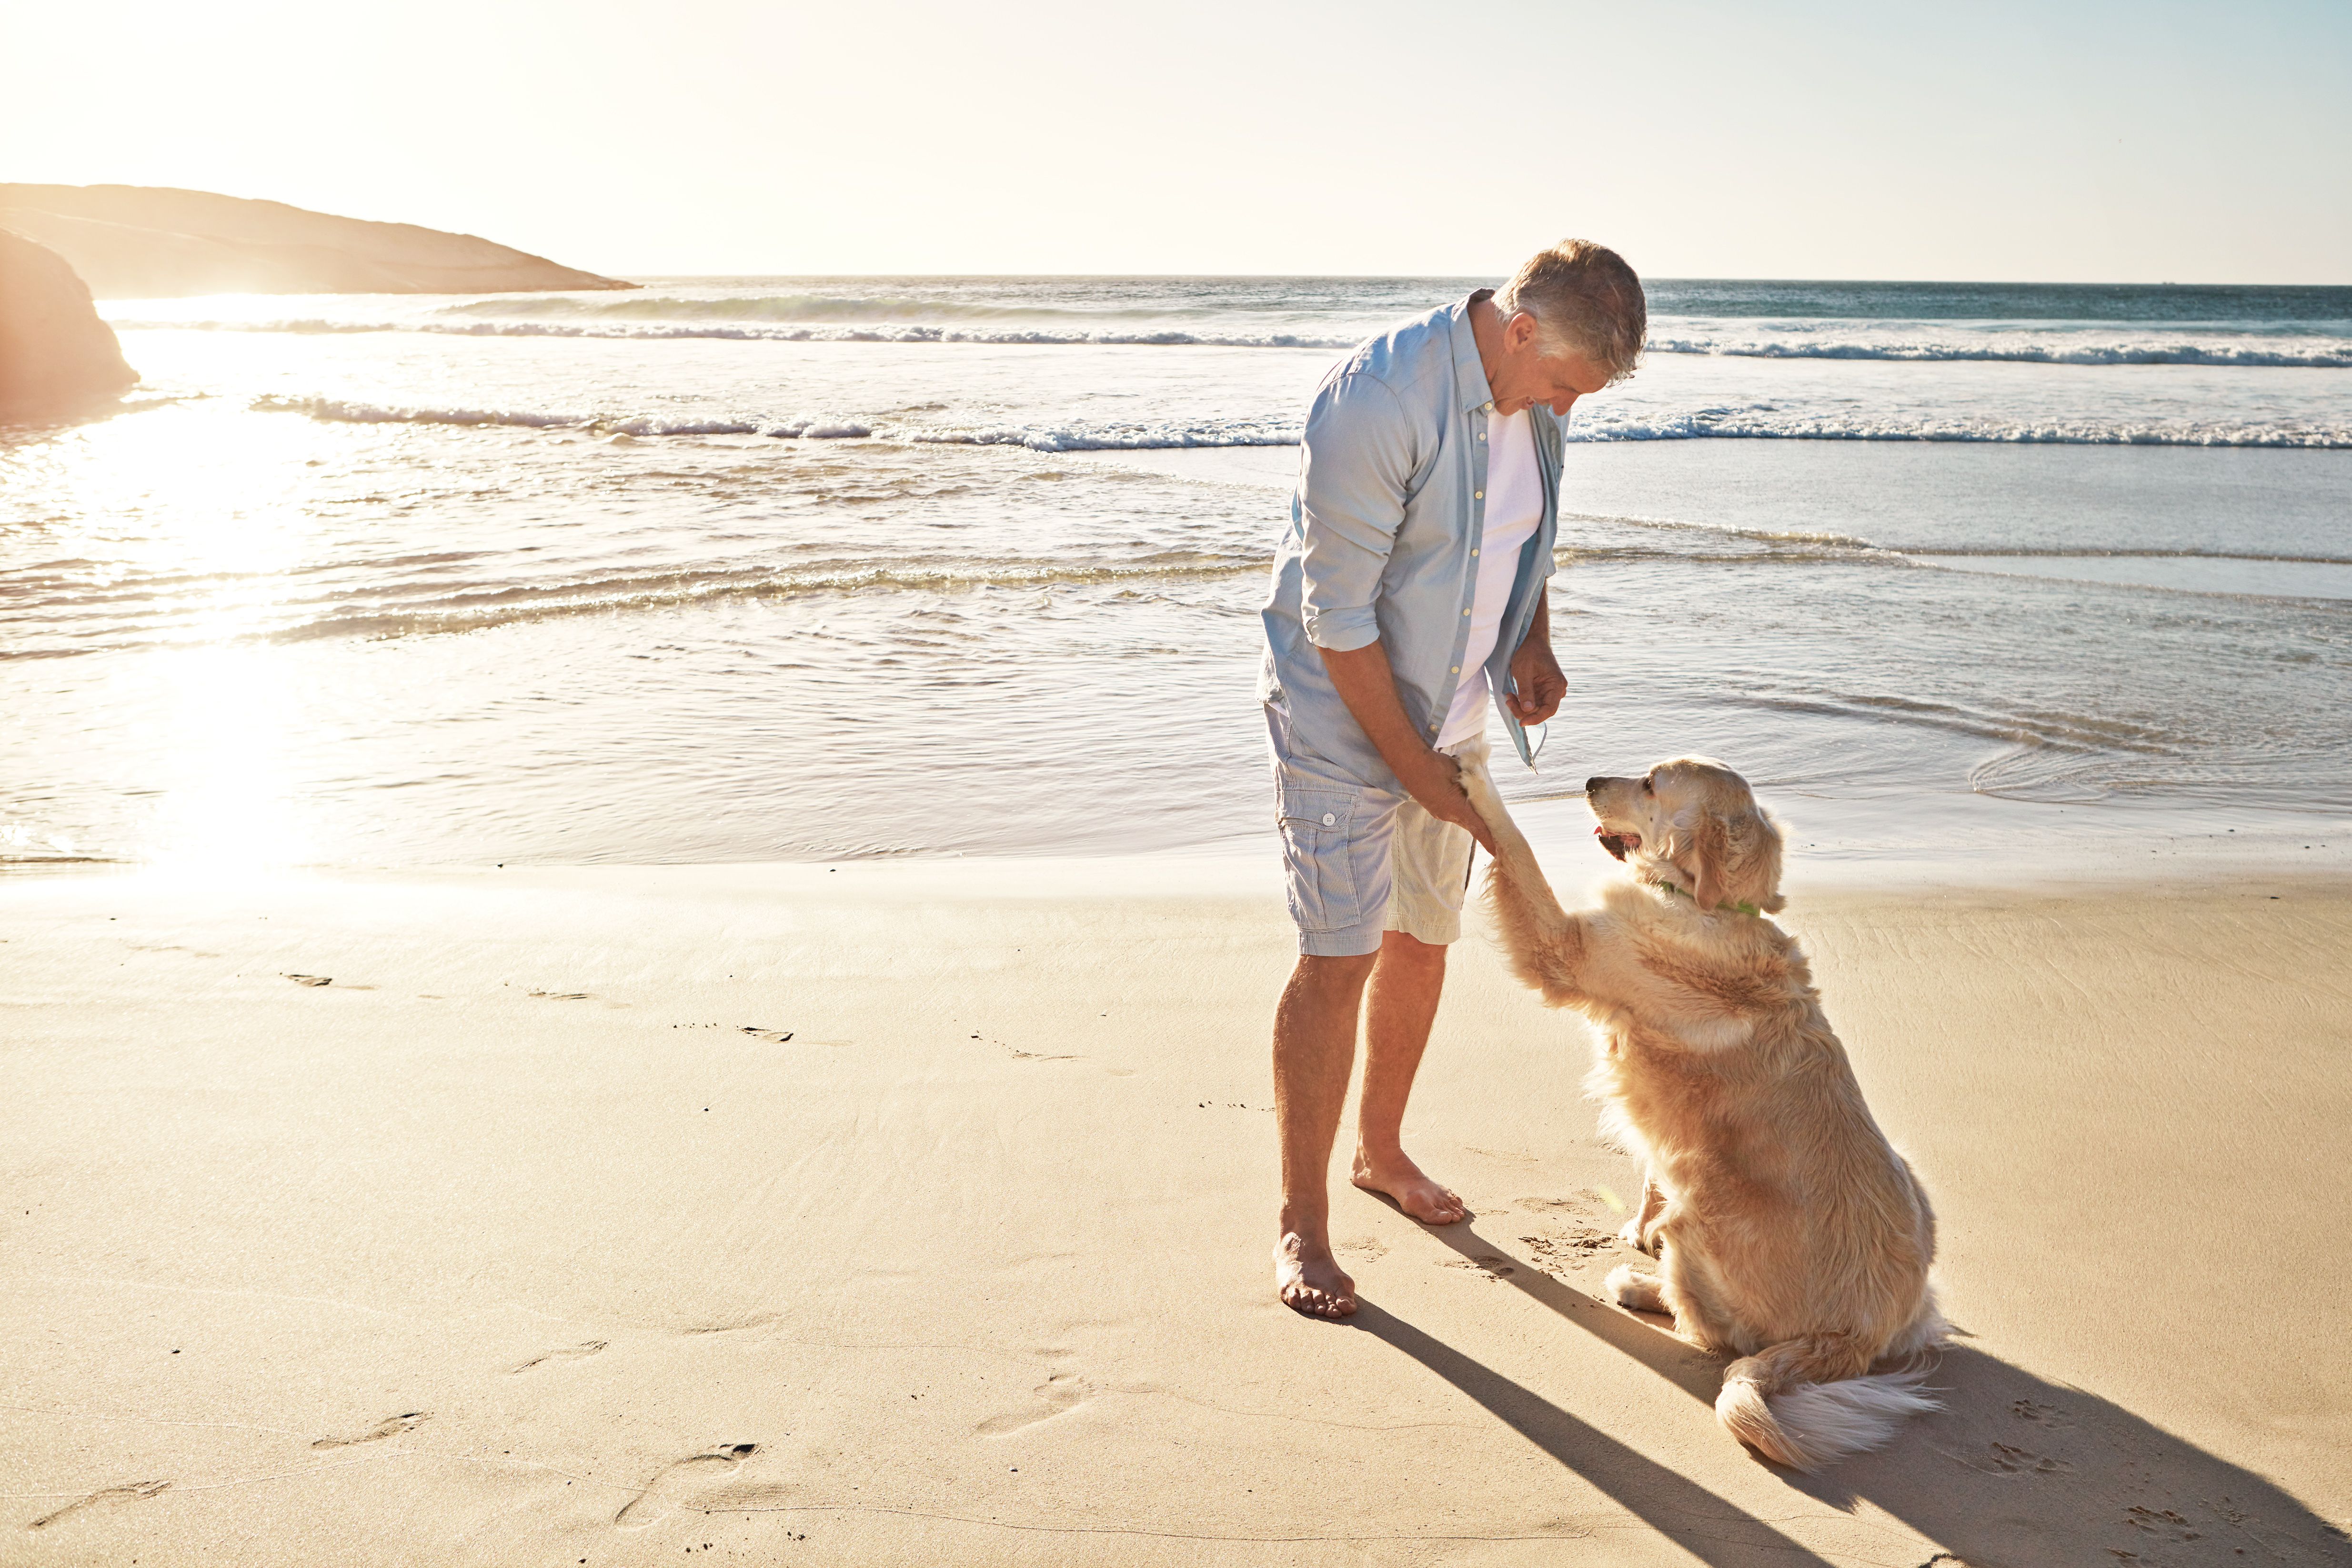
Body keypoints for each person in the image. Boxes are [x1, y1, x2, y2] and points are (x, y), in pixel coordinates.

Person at [1256, 241, 1647, 1318]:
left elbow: (1520, 539)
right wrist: (1416, 771)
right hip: (1346, 715)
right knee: (1338, 958)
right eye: (1566, 384)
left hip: (1454, 716)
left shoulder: (1542, 396)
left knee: (1423, 937)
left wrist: (1531, 642)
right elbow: (1337, 626)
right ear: (1521, 331)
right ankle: (1302, 1222)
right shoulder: (1378, 403)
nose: (1569, 406)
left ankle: (1380, 1150)